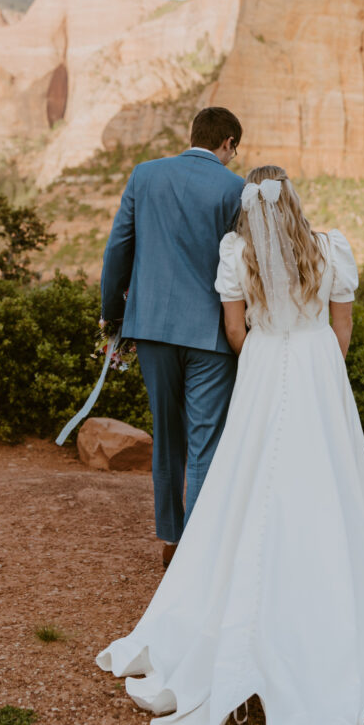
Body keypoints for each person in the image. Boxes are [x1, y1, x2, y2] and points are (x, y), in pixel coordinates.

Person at [96, 164, 364, 725]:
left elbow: (235, 333)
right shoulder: (330, 247)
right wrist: (315, 360)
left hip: (264, 365)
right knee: (328, 476)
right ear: (294, 199)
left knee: (248, 478)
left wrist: (270, 352)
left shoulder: (237, 253)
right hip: (320, 369)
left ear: (249, 205)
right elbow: (343, 332)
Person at [100, 107, 244, 567]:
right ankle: (198, 556)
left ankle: (171, 539)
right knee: (205, 440)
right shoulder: (236, 188)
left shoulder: (145, 175)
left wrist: (114, 316)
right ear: (227, 143)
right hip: (211, 335)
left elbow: (119, 247)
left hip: (154, 329)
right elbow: (244, 263)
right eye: (234, 147)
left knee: (167, 435)